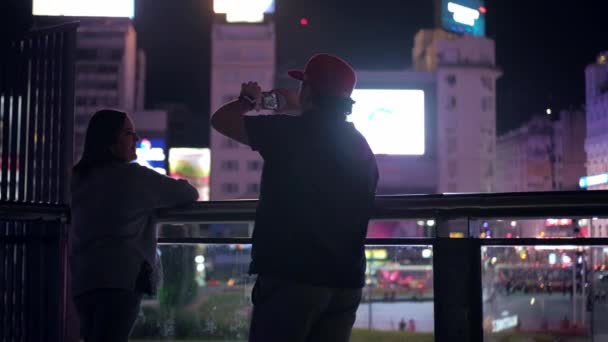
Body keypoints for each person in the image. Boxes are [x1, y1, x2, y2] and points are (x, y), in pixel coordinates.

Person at [211, 53, 379, 342]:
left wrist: (251, 101)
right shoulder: (361, 146)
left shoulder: (287, 133)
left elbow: (222, 120)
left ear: (308, 91)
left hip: (292, 276)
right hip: (346, 281)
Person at [69, 109, 198, 342]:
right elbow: (188, 193)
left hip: (83, 279)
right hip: (122, 279)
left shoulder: (78, 177)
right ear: (110, 142)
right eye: (129, 133)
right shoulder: (135, 177)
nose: (136, 140)